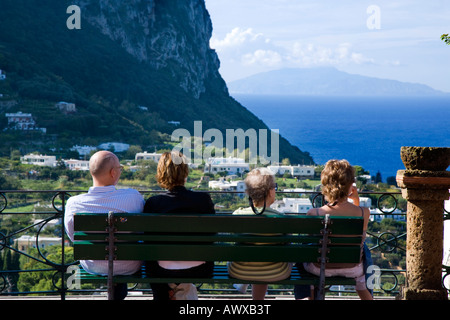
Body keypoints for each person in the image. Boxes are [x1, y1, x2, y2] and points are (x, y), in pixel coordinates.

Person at [64, 150, 145, 299]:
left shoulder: (73, 203)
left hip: (93, 264)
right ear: (113, 172)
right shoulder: (133, 197)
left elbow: (74, 237)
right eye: (119, 169)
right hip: (130, 264)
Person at [143, 151, 215, 300]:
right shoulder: (203, 200)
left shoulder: (153, 203)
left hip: (162, 270)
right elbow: (212, 237)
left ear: (161, 173)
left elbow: (147, 243)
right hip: (200, 269)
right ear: (185, 171)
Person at [300, 159, 373, 300]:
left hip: (319, 267)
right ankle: (366, 294)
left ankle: (309, 296)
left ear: (325, 186)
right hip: (353, 268)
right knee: (364, 250)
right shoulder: (364, 213)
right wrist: (355, 201)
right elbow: (360, 231)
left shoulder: (314, 213)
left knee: (305, 252)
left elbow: (311, 240)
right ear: (351, 186)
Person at [228, 167, 292, 300]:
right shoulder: (281, 218)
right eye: (275, 187)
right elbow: (288, 246)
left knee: (249, 254)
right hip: (276, 271)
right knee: (269, 259)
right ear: (270, 192)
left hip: (239, 270)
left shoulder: (238, 214)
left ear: (248, 193)